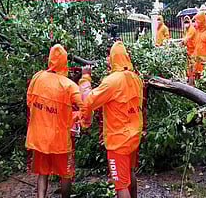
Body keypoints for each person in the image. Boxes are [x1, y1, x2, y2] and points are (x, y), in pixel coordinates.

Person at [79, 41, 144, 198]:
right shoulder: (136, 79)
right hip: (134, 136)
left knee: (121, 185)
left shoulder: (111, 81)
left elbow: (88, 101)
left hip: (118, 141)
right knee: (130, 173)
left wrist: (85, 79)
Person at [26, 44, 87, 198]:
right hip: (60, 140)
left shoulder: (37, 78)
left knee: (42, 173)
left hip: (40, 139)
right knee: (65, 175)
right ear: (65, 62)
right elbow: (86, 105)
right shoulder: (69, 85)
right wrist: (77, 117)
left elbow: (29, 102)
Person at [179, 15, 197, 85]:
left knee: (192, 67)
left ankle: (192, 83)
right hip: (188, 51)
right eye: (185, 22)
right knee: (189, 68)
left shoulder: (191, 29)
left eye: (187, 22)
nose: (186, 23)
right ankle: (190, 82)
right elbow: (185, 37)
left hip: (193, 51)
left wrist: (182, 42)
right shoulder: (186, 30)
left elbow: (187, 38)